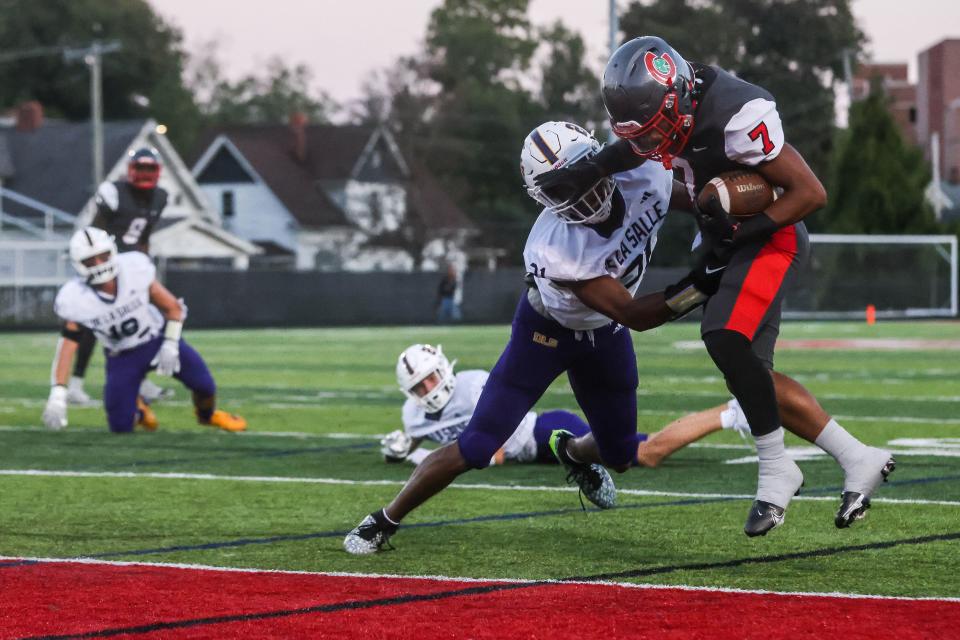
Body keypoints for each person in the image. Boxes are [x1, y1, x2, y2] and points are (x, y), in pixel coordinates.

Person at [534, 36, 895, 535]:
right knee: (749, 368)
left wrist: (741, 230)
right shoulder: (663, 110)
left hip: (772, 236)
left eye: (657, 130)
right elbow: (635, 150)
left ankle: (776, 471)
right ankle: (858, 458)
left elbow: (810, 192)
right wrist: (594, 167)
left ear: (677, 97)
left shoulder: (738, 114)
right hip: (728, 240)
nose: (651, 145)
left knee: (724, 337)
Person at [343, 121, 731, 554]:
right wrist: (709, 277)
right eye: (562, 190)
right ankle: (383, 520)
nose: (581, 194)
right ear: (545, 200)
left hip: (604, 334)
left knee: (619, 454)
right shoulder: (554, 247)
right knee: (476, 445)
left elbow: (685, 198)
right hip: (545, 334)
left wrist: (726, 210)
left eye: (583, 175)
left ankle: (573, 453)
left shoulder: (643, 174)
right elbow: (635, 313)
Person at [383, 343, 750, 468]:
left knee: (643, 453)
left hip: (546, 432)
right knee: (637, 450)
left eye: (430, 378)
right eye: (419, 385)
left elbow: (490, 454)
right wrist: (400, 447)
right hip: (538, 452)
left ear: (444, 370)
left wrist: (418, 459)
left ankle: (730, 413)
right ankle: (731, 412)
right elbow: (416, 436)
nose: (428, 388)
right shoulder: (412, 415)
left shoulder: (472, 385)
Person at [41, 227, 247, 434]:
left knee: (204, 385)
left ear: (113, 252)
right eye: (90, 260)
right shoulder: (75, 297)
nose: (98, 265)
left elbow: (172, 308)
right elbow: (67, 346)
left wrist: (171, 343)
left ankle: (208, 416)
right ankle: (139, 410)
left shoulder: (133, 268)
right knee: (120, 427)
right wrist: (58, 394)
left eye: (103, 257)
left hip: (156, 339)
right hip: (122, 356)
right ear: (78, 264)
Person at [65, 147, 171, 407]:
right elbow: (94, 233)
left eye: (150, 168)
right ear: (131, 170)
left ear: (157, 171)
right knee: (92, 325)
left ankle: (142, 381)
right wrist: (96, 266)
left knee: (146, 323)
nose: (145, 174)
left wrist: (145, 267)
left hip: (132, 270)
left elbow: (144, 236)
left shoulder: (160, 197)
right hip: (106, 267)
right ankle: (75, 385)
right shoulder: (114, 192)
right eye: (141, 168)